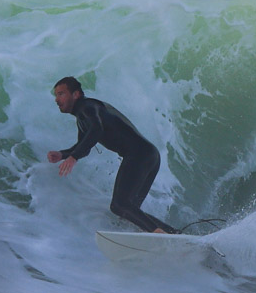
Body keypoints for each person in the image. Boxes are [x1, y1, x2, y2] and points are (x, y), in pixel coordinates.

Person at [47, 76, 178, 234]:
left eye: (61, 94)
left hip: (138, 155)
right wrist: (62, 154)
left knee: (119, 205)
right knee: (129, 209)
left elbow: (97, 130)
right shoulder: (83, 117)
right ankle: (174, 235)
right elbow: (84, 146)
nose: (56, 99)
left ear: (76, 95)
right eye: (56, 95)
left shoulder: (87, 107)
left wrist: (73, 157)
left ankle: (158, 234)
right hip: (149, 155)